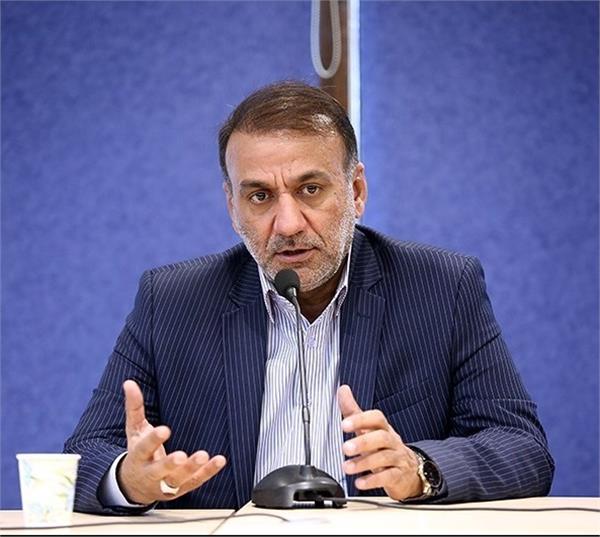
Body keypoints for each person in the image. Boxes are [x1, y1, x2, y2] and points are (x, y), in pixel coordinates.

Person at [64, 81, 554, 513]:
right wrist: (130, 480)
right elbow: (84, 457)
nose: (288, 224)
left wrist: (418, 467)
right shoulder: (173, 300)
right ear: (232, 206)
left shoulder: (440, 287)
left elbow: (523, 448)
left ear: (356, 191)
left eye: (311, 189)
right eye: (259, 196)